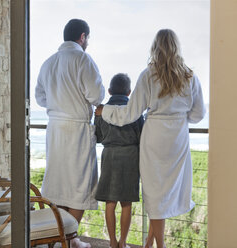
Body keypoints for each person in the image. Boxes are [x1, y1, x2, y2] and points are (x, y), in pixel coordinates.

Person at [95, 29, 205, 248]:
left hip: (154, 137)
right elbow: (198, 114)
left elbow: (130, 114)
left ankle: (158, 245)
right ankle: (149, 244)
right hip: (177, 139)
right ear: (176, 47)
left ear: (155, 47)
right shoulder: (189, 76)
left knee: (154, 195)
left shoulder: (148, 75)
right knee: (165, 194)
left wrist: (104, 111)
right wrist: (179, 117)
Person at [35, 19, 105, 248]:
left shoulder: (48, 63)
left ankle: (62, 239)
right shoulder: (83, 59)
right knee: (80, 187)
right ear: (83, 37)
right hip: (76, 130)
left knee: (59, 185)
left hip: (55, 129)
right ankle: (68, 239)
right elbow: (97, 96)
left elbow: (40, 97)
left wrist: (58, 105)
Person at [94, 73, 143, 248]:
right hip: (130, 155)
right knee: (126, 202)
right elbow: (141, 135)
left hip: (109, 155)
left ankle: (112, 242)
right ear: (129, 92)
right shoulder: (134, 109)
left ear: (109, 90)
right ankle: (123, 242)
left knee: (110, 201)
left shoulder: (101, 110)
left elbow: (98, 137)